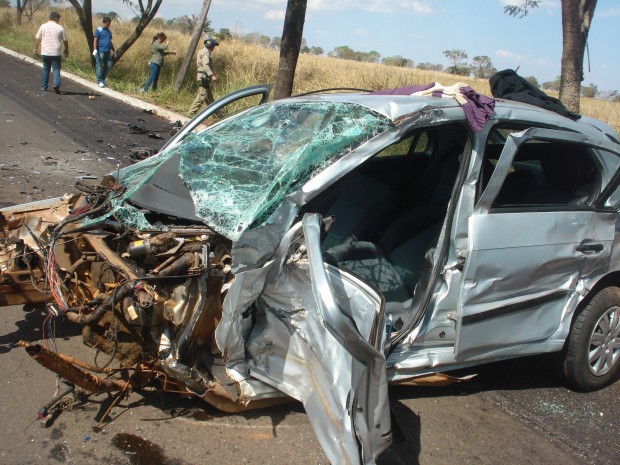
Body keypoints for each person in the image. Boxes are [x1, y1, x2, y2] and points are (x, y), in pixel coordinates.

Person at [34, 11, 68, 94]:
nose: (59, 20)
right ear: (56, 18)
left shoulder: (43, 26)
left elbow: (38, 37)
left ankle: (43, 86)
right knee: (56, 69)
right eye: (59, 19)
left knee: (46, 69)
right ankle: (56, 85)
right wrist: (66, 49)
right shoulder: (60, 28)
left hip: (45, 52)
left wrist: (36, 48)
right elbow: (65, 40)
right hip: (56, 53)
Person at [187, 38, 219, 116]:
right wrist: (211, 75)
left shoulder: (201, 51)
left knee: (209, 98)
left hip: (201, 75)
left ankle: (216, 114)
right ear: (212, 46)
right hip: (203, 76)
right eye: (214, 46)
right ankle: (191, 113)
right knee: (202, 95)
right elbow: (205, 65)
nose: (214, 48)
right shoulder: (206, 53)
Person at [93, 16, 115, 88]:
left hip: (107, 51)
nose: (109, 25)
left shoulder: (109, 31)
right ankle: (99, 80)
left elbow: (110, 41)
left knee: (108, 65)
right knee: (99, 66)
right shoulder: (98, 30)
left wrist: (113, 50)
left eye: (109, 24)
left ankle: (102, 79)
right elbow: (95, 40)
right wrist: (95, 49)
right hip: (101, 51)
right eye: (108, 24)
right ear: (104, 23)